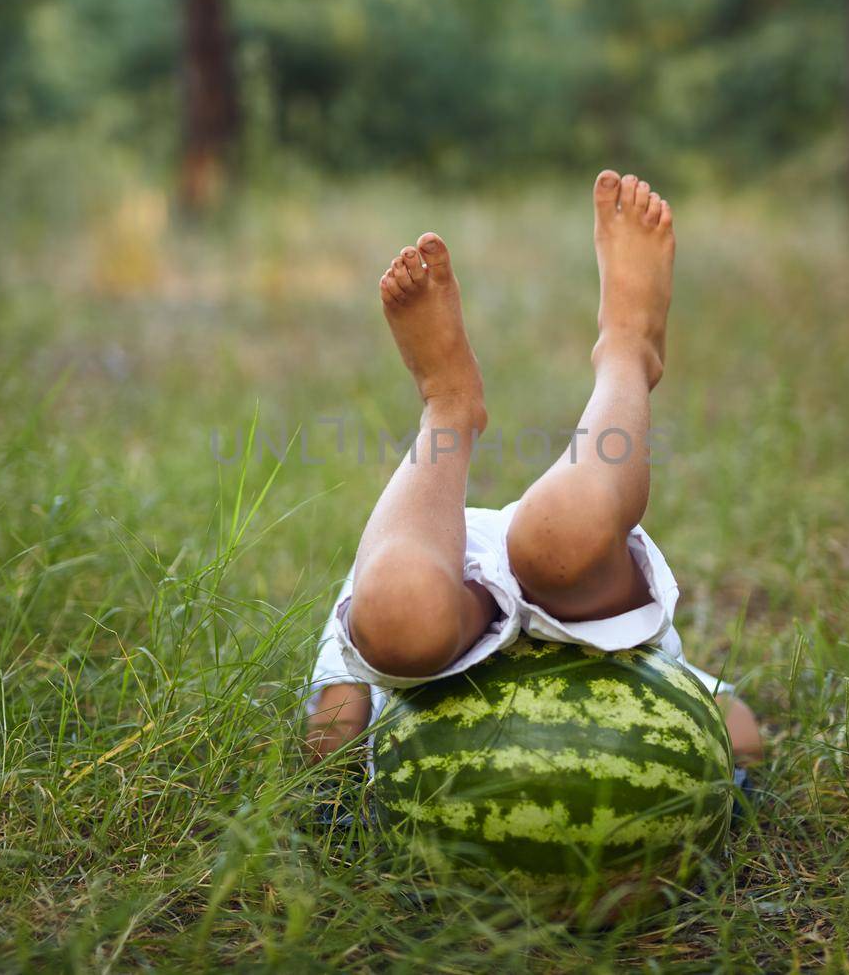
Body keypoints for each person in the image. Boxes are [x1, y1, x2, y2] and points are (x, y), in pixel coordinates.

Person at [304, 170, 762, 767]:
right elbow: (741, 736)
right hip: (474, 618)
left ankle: (600, 356)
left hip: (533, 617)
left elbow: (327, 738)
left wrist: (332, 749)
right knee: (509, 562)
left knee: (423, 600)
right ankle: (470, 396)